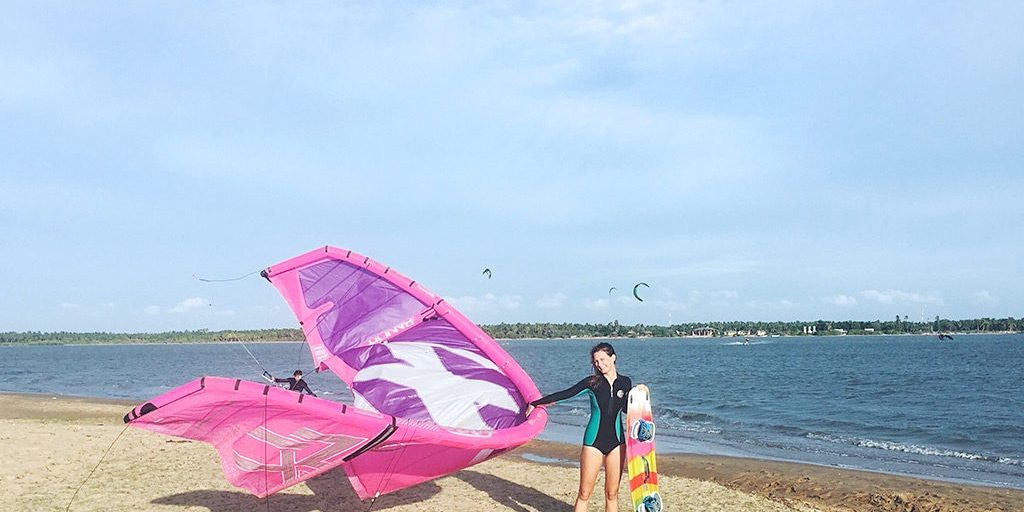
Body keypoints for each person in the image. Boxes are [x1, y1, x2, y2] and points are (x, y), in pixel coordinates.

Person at [525, 342, 631, 512]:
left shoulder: (625, 382)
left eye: (602, 359)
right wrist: (537, 403)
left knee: (612, 494)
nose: (599, 364)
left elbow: (627, 409)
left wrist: (640, 396)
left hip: (618, 443)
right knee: (584, 493)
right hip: (593, 442)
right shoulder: (592, 383)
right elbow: (566, 394)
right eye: (596, 361)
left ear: (613, 358)